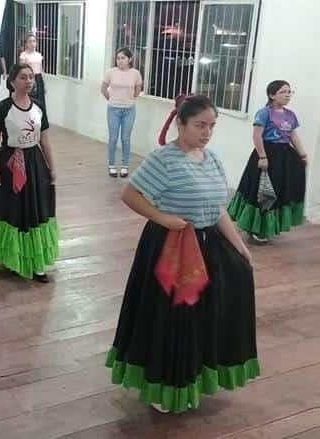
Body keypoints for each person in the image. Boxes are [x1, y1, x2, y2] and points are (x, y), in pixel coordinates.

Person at [105, 95, 259, 414]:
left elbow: (217, 209)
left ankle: (194, 376)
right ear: (181, 123)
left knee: (207, 312)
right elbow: (130, 194)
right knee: (172, 318)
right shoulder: (163, 159)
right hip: (172, 247)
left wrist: (239, 246)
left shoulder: (212, 159)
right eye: (200, 125)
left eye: (211, 126)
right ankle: (165, 383)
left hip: (208, 245)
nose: (206, 132)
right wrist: (163, 219)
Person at [0, 64, 58, 282]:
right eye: (23, 77)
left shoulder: (39, 106)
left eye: (31, 77)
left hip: (34, 164)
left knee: (36, 210)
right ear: (13, 81)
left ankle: (37, 263)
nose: (28, 81)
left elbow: (45, 140)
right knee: (13, 210)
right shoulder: (2, 108)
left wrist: (52, 168)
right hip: (10, 164)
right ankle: (13, 258)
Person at [228, 80, 307, 243]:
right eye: (283, 92)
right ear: (272, 95)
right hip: (267, 154)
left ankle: (268, 227)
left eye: (289, 92)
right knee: (262, 192)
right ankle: (255, 228)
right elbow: (257, 136)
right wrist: (263, 157)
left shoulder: (290, 115)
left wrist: (303, 154)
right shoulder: (264, 113)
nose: (287, 95)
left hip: (284, 157)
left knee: (277, 191)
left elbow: (293, 136)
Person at [100, 48, 143, 178]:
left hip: (129, 110)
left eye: (123, 58)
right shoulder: (111, 72)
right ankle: (112, 165)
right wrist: (111, 99)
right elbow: (103, 89)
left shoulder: (135, 73)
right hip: (113, 109)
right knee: (113, 138)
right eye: (118, 58)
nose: (120, 61)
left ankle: (125, 166)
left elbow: (137, 89)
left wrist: (130, 99)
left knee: (126, 138)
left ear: (129, 59)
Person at [19, 33, 46, 111]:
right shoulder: (23, 55)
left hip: (39, 79)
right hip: (28, 79)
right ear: (26, 44)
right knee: (30, 100)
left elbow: (41, 70)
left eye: (34, 41)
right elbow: (21, 71)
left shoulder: (38, 55)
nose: (32, 43)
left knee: (40, 101)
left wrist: (43, 84)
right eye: (30, 41)